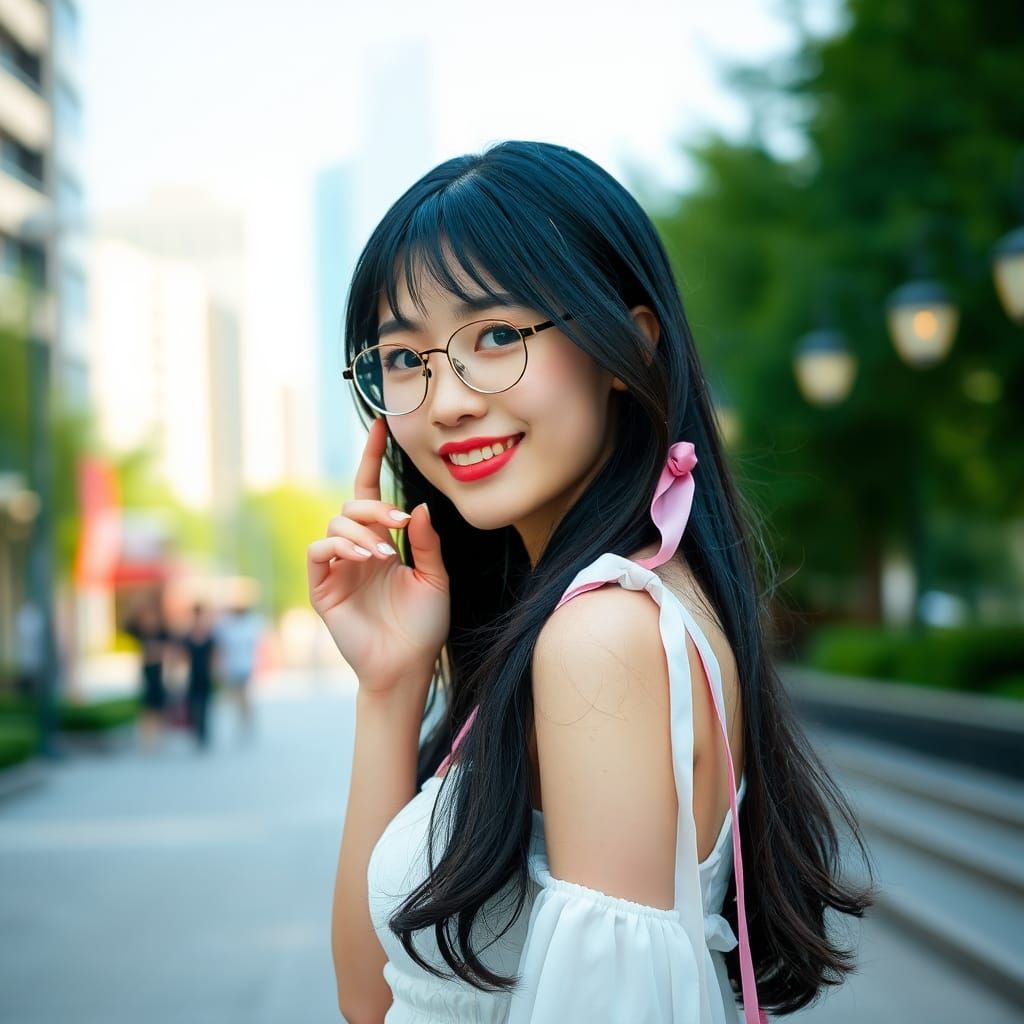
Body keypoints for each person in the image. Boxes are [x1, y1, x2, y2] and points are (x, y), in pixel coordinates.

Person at [309, 140, 876, 1024]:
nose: (447, 398)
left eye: (496, 335)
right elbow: (372, 998)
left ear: (627, 345)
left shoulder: (600, 636)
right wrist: (390, 683)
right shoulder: (602, 613)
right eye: (403, 359)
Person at [125, 597, 171, 752]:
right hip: (145, 676)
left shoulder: (162, 632)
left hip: (159, 676)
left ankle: (158, 738)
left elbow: (169, 649)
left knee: (159, 708)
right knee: (146, 709)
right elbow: (127, 627)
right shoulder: (139, 632)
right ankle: (146, 740)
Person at [213, 602, 264, 740]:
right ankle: (245, 720)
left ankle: (246, 721)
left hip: (241, 666)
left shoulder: (236, 626)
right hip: (237, 666)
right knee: (239, 696)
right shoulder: (243, 626)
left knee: (242, 696)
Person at [175, 603, 217, 750]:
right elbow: (181, 656)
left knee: (205, 705)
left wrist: (216, 672)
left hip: (206, 675)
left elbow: (215, 656)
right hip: (192, 675)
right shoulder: (187, 636)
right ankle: (196, 731)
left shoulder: (210, 635)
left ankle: (204, 734)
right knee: (193, 705)